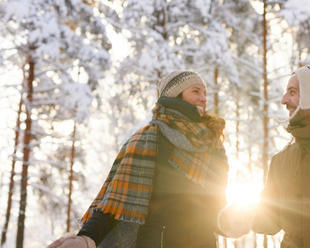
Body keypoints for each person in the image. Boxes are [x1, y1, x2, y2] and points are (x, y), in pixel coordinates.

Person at [48, 71, 229, 248]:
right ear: (175, 95)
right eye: (196, 91)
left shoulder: (212, 146)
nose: (204, 98)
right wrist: (88, 237)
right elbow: (116, 201)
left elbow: (217, 210)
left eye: (205, 93)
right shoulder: (149, 139)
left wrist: (233, 221)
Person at [218, 63, 310, 247]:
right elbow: (270, 219)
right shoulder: (282, 160)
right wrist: (243, 215)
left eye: (292, 92)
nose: (284, 100)